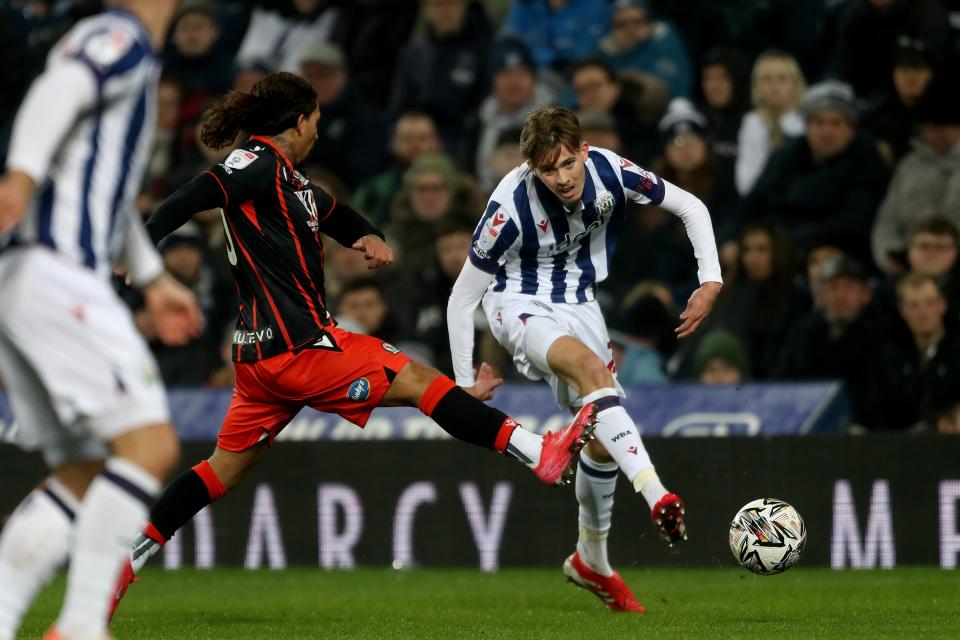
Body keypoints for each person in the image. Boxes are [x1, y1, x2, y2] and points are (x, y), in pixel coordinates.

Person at [109, 74, 598, 618]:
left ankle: (125, 558)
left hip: (262, 360)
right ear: (299, 122)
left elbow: (332, 213)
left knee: (222, 469)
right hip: (300, 346)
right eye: (316, 121)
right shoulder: (257, 164)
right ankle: (538, 452)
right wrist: (143, 244)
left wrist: (368, 235)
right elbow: (196, 192)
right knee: (416, 379)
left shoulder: (289, 180)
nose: (319, 131)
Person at [447, 106, 723, 611]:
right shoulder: (509, 206)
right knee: (594, 374)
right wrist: (464, 382)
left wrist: (710, 279)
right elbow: (462, 298)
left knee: (600, 440)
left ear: (584, 151)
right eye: (547, 170)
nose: (562, 178)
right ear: (532, 168)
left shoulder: (611, 171)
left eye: (568, 163)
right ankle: (657, 494)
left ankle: (591, 559)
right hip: (517, 302)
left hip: (582, 303)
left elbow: (691, 207)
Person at [0, 3, 203, 640]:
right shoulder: (119, 36)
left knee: (83, 471)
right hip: (58, 270)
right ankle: (83, 625)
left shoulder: (122, 48)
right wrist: (19, 178)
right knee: (150, 446)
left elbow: (106, 194)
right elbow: (60, 89)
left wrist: (152, 278)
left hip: (23, 279)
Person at [871, 80, 960, 274]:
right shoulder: (909, 166)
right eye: (932, 126)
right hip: (908, 265)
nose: (939, 133)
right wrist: (889, 254)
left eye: (947, 125)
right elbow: (887, 219)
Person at [735, 50, 806, 196]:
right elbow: (745, 182)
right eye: (767, 79)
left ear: (796, 84)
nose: (774, 87)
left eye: (782, 79)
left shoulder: (807, 124)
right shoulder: (752, 122)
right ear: (757, 86)